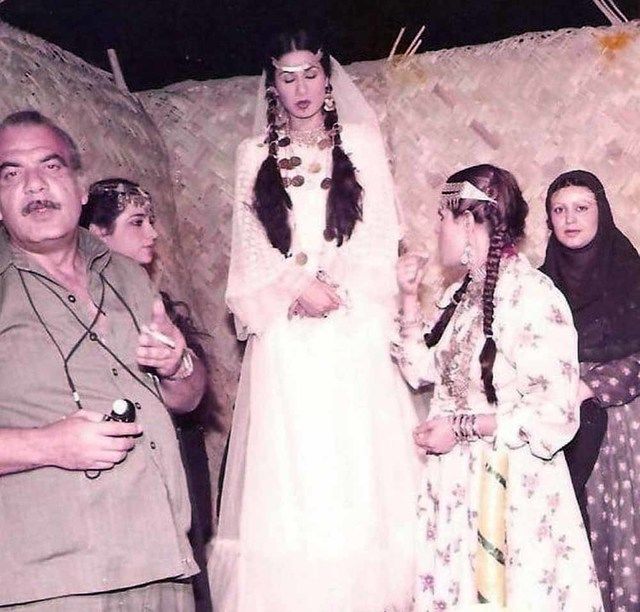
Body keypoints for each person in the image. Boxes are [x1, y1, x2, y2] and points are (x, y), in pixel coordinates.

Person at [210, 29, 421, 612]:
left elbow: (380, 235)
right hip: (286, 338)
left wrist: (336, 288)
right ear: (272, 85)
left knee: (355, 469)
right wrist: (296, 286)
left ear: (327, 79)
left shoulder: (362, 142)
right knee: (297, 474)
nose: (300, 88)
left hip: (353, 330)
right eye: (288, 77)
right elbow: (249, 250)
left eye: (310, 74)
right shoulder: (252, 154)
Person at [0, 110, 206, 609]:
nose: (34, 185)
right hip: (55, 583)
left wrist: (177, 365)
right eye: (10, 173)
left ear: (79, 187)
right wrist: (47, 445)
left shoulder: (127, 274)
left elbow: (187, 398)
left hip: (163, 562)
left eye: (50, 166)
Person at [394, 164, 603, 610]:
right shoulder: (462, 296)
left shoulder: (531, 295)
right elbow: (420, 371)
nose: (438, 227)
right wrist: (408, 298)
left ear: (469, 221)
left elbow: (555, 413)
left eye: (443, 217)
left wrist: (461, 426)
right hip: (455, 486)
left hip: (509, 485)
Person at [79, 178, 214, 612]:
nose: (152, 234)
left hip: (180, 458)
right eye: (137, 223)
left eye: (151, 222)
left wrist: (179, 366)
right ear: (97, 235)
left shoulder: (157, 304)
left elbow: (194, 397)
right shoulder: (80, 311)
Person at [540, 169, 640, 612]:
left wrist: (590, 385)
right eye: (559, 210)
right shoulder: (539, 287)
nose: (570, 219)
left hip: (622, 428)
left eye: (581, 208)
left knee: (621, 532)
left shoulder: (632, 275)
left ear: (602, 213)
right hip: (557, 425)